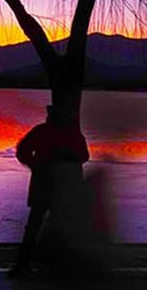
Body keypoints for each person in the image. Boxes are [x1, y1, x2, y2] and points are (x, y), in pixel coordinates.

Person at [9, 104, 90, 276]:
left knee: (38, 226)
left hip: (53, 185)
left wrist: (36, 165)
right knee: (45, 226)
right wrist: (37, 165)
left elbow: (83, 156)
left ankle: (31, 264)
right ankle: (34, 264)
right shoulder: (64, 133)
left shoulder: (50, 132)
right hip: (56, 185)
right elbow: (83, 156)